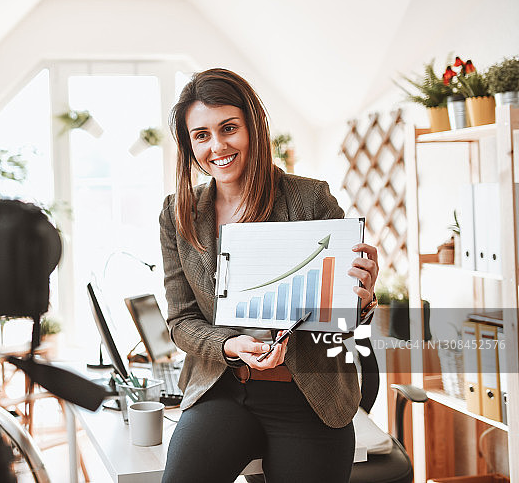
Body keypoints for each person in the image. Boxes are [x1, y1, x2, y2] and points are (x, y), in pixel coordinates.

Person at [159, 68, 379, 483]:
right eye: (201, 135)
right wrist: (230, 345)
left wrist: (361, 298)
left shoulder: (309, 198)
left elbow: (343, 318)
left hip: (307, 394)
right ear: (189, 145)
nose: (217, 146)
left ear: (253, 128)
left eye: (229, 128)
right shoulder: (179, 214)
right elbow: (181, 321)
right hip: (222, 389)